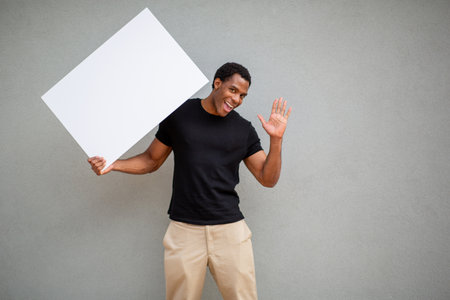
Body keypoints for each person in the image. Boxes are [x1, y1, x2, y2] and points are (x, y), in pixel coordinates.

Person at [88, 62, 292, 300]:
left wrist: (276, 140)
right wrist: (114, 164)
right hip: (184, 231)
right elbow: (151, 160)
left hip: (230, 231)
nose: (237, 99)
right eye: (233, 90)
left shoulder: (243, 130)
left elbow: (267, 179)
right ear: (217, 83)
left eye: (243, 95)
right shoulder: (179, 115)